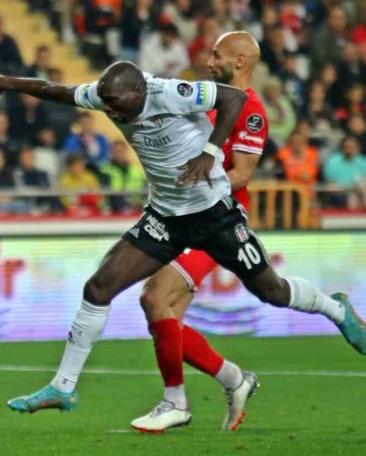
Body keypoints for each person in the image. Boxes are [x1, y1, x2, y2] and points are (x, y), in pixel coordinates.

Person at [0, 32, 366, 419]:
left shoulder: (171, 93)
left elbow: (231, 99)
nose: (114, 114)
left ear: (140, 93)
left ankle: (334, 307)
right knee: (99, 288)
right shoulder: (108, 97)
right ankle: (64, 386)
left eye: (120, 106)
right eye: (108, 106)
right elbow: (60, 91)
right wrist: (5, 82)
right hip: (165, 218)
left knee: (272, 292)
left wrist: (210, 153)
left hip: (214, 215)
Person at [131, 30, 269, 432]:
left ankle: (175, 401)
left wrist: (192, 182)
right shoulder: (210, 102)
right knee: (165, 314)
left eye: (217, 55)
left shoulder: (251, 109)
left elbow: (243, 172)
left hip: (215, 221)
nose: (209, 63)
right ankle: (234, 380)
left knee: (155, 297)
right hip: (184, 215)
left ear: (240, 60)